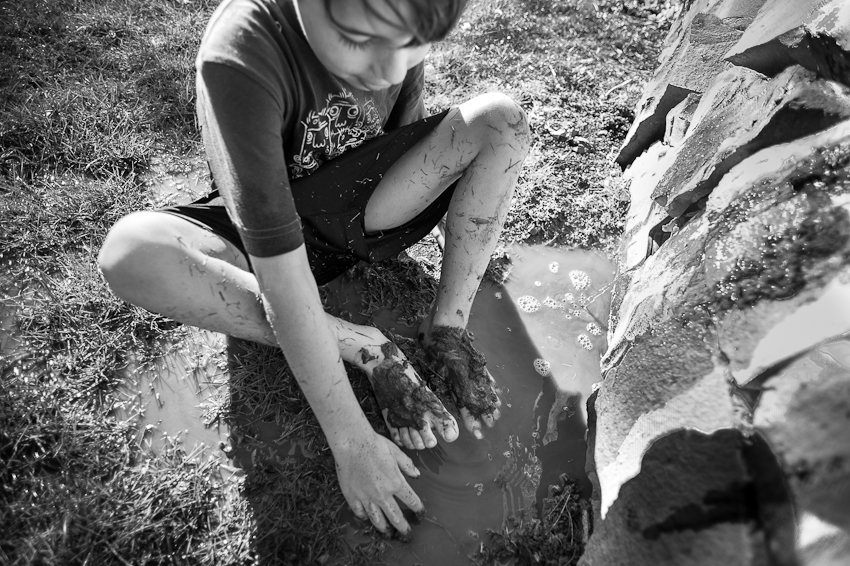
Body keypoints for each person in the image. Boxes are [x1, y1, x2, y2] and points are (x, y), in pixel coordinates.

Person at [98, 0, 529, 537]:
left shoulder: (396, 24)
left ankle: (448, 330)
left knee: (500, 118)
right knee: (131, 252)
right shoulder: (242, 54)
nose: (388, 70)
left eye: (412, 46)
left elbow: (406, 146)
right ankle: (362, 344)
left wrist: (467, 218)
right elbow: (282, 275)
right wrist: (352, 440)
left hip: (357, 207)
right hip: (262, 238)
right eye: (358, 41)